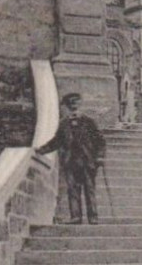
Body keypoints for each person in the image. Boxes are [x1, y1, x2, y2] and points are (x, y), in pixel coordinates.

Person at [35, 92, 106, 224]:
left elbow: (100, 141)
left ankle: (93, 217)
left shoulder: (89, 122)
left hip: (87, 161)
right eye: (71, 103)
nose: (74, 106)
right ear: (68, 107)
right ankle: (76, 217)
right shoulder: (63, 124)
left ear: (80, 104)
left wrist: (100, 156)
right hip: (71, 161)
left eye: (76, 102)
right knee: (73, 189)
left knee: (89, 189)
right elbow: (56, 142)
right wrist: (41, 150)